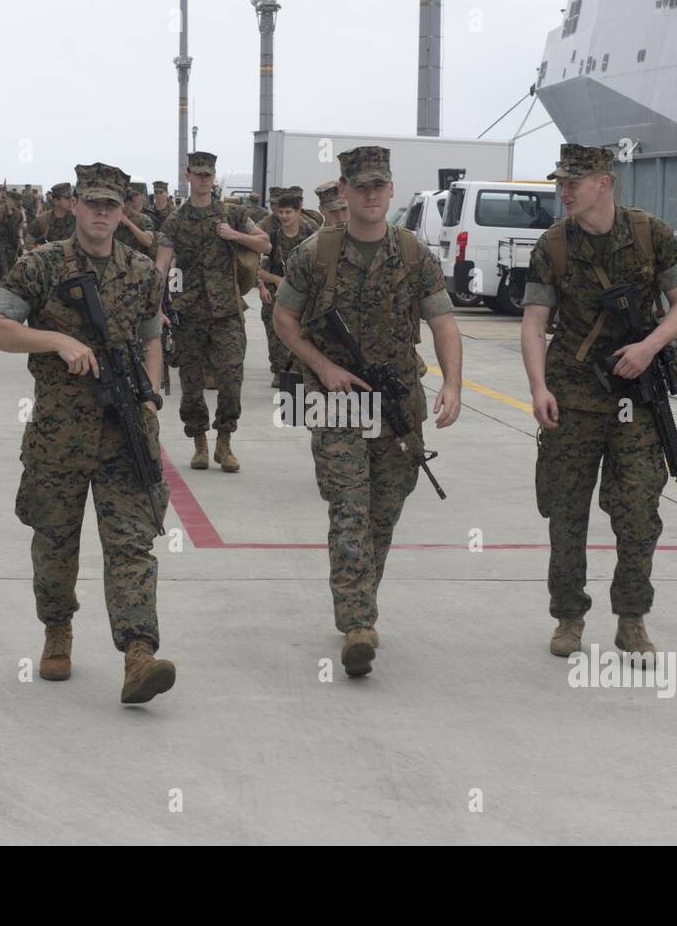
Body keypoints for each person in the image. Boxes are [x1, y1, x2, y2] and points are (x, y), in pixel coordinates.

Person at [0, 162, 176, 704]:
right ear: (75, 206)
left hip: (124, 433)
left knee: (133, 545)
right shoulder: (41, 265)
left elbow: (152, 338)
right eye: (91, 203)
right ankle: (57, 630)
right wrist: (56, 342)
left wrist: (151, 395)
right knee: (54, 541)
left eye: (111, 205)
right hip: (59, 435)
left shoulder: (141, 271)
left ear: (124, 210)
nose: (100, 213)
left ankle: (139, 654)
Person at [272, 145, 463, 678]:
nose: (371, 195)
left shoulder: (413, 253)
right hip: (336, 401)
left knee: (385, 509)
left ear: (391, 189)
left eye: (380, 185)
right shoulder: (315, 253)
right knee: (349, 509)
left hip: (399, 400)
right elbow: (284, 320)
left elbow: (442, 320)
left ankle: (362, 600)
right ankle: (358, 621)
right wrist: (321, 367)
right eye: (361, 187)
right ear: (346, 190)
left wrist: (453, 382)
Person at [519, 143, 677, 660]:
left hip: (636, 399)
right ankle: (569, 618)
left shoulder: (649, 235)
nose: (565, 190)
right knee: (567, 513)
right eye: (561, 181)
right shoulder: (553, 246)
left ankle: (632, 618)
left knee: (639, 509)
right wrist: (538, 387)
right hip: (571, 399)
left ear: (605, 182)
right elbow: (533, 323)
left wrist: (648, 347)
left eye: (575, 181)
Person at [155, 151, 270, 473]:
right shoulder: (176, 221)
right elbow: (161, 266)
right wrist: (154, 307)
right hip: (189, 313)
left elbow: (265, 245)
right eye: (198, 173)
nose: (204, 179)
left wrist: (235, 236)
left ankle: (225, 442)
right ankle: (200, 444)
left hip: (227, 312)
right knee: (191, 384)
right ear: (188, 175)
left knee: (231, 377)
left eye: (209, 174)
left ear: (214, 177)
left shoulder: (232, 214)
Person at [256, 187, 316, 387]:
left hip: (305, 293)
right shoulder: (272, 238)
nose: (283, 216)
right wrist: (273, 280)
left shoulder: (310, 234)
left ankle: (302, 368)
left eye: (288, 212)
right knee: (275, 332)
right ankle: (280, 370)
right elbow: (259, 270)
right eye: (280, 212)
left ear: (298, 211)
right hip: (277, 293)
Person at [0, 189, 26, 279]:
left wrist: (21, 240)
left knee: (12, 268)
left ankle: (6, 289)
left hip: (13, 245)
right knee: (3, 269)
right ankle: (2, 289)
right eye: (11, 201)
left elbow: (20, 227)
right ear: (7, 200)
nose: (13, 203)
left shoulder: (18, 214)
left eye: (15, 202)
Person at [114, 181, 156, 257]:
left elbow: (148, 242)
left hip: (136, 262)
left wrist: (129, 224)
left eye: (124, 203)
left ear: (129, 203)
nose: (121, 206)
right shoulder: (112, 218)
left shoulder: (143, 219)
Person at [27, 182, 75, 246]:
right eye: (67, 198)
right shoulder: (43, 219)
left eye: (72, 198)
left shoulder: (79, 218)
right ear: (56, 201)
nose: (71, 201)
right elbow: (28, 242)